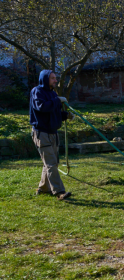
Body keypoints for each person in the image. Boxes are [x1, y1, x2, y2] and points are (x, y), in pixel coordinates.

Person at [29, 70, 74, 200]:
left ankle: (43, 189)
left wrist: (66, 115)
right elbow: (42, 107)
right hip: (41, 133)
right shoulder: (37, 91)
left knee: (50, 163)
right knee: (51, 163)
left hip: (53, 133)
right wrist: (57, 100)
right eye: (53, 78)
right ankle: (59, 191)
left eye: (55, 78)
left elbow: (54, 113)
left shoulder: (53, 93)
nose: (55, 80)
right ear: (45, 79)